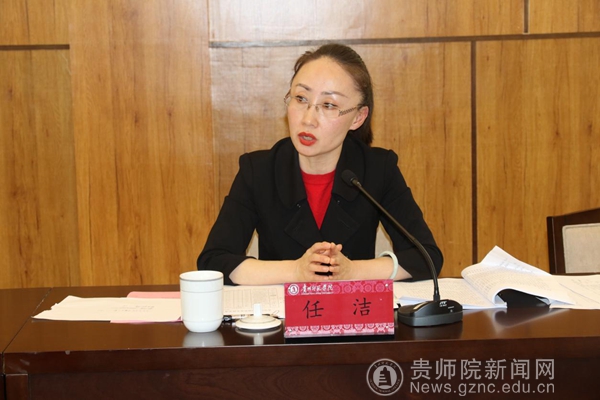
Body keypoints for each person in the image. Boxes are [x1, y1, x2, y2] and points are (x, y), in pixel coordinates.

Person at [197, 43, 442, 286]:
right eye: (300, 98)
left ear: (358, 117)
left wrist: (352, 271)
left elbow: (426, 256)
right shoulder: (259, 170)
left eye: (329, 105)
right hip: (283, 309)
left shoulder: (378, 169)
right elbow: (214, 261)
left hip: (352, 309)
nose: (308, 119)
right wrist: (296, 271)